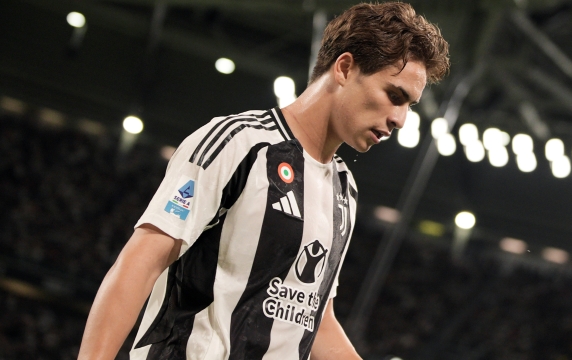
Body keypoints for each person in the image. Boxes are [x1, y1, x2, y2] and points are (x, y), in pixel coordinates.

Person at [78, 2, 449, 359]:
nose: (400, 119)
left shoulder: (344, 189)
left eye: (409, 105)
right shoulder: (237, 142)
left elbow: (313, 319)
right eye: (394, 95)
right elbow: (141, 261)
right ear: (345, 68)